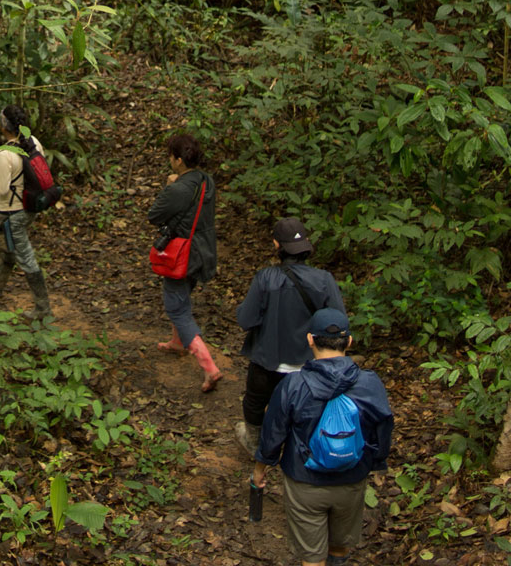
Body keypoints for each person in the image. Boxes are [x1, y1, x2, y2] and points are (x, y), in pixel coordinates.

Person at [257, 308, 395, 566]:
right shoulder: (369, 383)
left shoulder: (293, 384)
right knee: (340, 546)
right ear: (349, 341)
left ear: (310, 339)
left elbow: (273, 433)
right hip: (352, 478)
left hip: (305, 481)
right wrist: (377, 462)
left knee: (312, 557)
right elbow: (383, 425)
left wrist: (260, 469)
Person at [234, 218, 346, 479]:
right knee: (306, 410)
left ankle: (255, 443)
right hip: (310, 366)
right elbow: (338, 321)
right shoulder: (324, 280)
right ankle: (303, 451)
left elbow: (245, 320)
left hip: (268, 363)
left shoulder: (266, 278)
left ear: (276, 245)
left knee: (254, 401)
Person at [147, 131, 222, 390]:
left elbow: (154, 215)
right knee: (182, 294)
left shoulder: (179, 188)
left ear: (178, 160)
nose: (169, 160)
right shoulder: (206, 180)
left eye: (171, 156)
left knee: (177, 308)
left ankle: (209, 368)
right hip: (204, 250)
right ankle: (178, 341)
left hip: (183, 254)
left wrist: (169, 187)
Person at [0, 103, 50, 321]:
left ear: (4, 126)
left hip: (12, 211)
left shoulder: (4, 154)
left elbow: (2, 190)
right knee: (10, 247)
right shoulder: (34, 142)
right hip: (30, 207)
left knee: (25, 256)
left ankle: (42, 307)